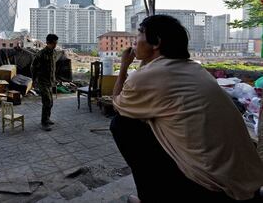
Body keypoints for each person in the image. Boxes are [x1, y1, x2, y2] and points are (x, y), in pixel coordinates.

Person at [110, 15, 263, 203]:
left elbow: (117, 103)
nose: (134, 40)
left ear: (156, 42)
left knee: (122, 125)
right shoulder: (193, 68)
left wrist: (124, 66)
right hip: (246, 179)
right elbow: (148, 77)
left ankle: (150, 197)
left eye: (140, 33)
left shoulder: (149, 77)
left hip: (214, 186)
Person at [31, 34, 58, 131]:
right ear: (48, 43)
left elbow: (53, 67)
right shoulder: (41, 54)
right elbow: (33, 68)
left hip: (50, 81)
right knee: (47, 102)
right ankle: (44, 122)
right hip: (42, 81)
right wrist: (34, 81)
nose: (55, 45)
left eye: (56, 43)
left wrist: (55, 78)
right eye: (53, 43)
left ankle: (47, 118)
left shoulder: (54, 53)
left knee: (50, 102)